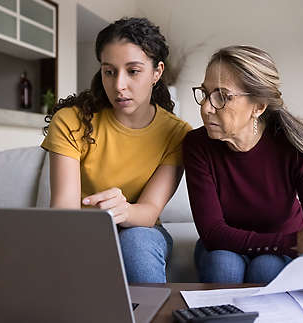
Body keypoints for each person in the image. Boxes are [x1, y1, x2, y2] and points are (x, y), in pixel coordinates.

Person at [183, 45, 303, 301]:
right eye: (205, 94)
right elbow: (213, 233)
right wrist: (293, 241)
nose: (206, 107)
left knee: (266, 266)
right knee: (224, 263)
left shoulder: (297, 147)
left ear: (258, 106)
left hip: (281, 250)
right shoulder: (197, 145)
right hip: (226, 245)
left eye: (221, 97)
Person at [41, 17, 191, 283]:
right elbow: (64, 209)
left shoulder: (177, 133)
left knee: (135, 242)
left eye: (133, 71)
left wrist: (121, 210)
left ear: (157, 72)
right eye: (109, 71)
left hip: (141, 230)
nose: (119, 85)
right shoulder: (71, 121)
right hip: (81, 230)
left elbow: (149, 211)